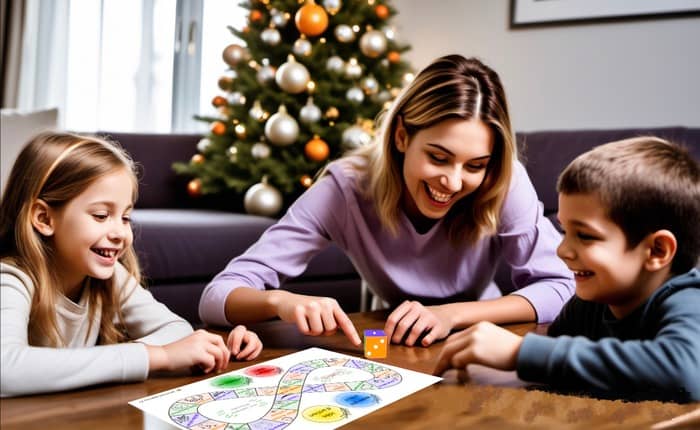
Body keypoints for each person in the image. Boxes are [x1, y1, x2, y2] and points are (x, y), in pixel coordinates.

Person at [199, 54, 574, 348]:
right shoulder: (344, 187)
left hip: (479, 333)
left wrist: (451, 315)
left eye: (474, 165)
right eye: (438, 157)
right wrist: (279, 303)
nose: (454, 181)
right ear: (401, 137)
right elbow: (215, 296)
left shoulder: (504, 180)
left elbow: (562, 285)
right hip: (392, 340)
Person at [433, 137, 700, 402]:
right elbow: (553, 369)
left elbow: (686, 375)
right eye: (564, 231)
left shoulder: (688, 301)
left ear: (657, 251)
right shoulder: (592, 302)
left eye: (585, 236)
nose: (562, 251)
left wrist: (519, 351)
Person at [0, 132, 263, 397]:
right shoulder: (11, 279)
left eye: (125, 217)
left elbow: (176, 330)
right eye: (101, 215)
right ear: (44, 218)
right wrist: (157, 356)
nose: (121, 233)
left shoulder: (110, 276)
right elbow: (5, 370)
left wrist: (202, 345)